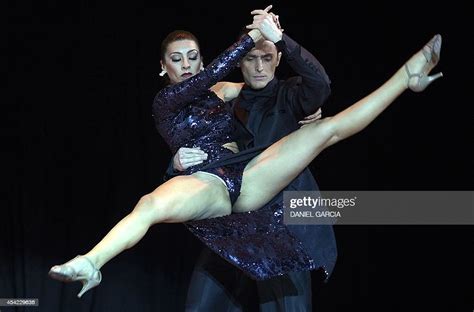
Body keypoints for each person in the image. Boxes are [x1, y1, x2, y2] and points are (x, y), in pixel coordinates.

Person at [48, 5, 443, 302]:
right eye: (176, 59)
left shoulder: (236, 92)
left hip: (266, 191)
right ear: (162, 67)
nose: (186, 66)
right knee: (150, 204)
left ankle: (406, 78)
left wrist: (293, 78)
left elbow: (287, 83)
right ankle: (92, 262)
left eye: (192, 58)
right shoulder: (173, 99)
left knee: (328, 130)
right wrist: (252, 37)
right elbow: (214, 77)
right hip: (213, 187)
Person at [171, 16, 336, 311]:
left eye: (267, 57)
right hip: (234, 225)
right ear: (239, 61)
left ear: (279, 59)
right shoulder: (223, 106)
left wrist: (281, 38)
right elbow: (199, 153)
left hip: (284, 226)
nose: (259, 66)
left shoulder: (291, 95)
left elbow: (320, 84)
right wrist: (177, 162)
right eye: (251, 58)